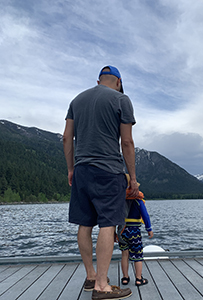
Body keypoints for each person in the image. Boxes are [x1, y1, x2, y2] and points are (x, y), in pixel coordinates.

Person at [63, 65, 139, 300]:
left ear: (98, 82)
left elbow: (67, 137)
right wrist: (133, 178)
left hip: (82, 170)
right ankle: (102, 286)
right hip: (109, 171)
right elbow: (126, 142)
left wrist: (71, 169)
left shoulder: (76, 100)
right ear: (118, 82)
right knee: (107, 224)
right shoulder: (121, 99)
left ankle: (91, 276)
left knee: (84, 225)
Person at [118, 175, 153, 287]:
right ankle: (138, 279)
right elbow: (145, 216)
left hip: (122, 231)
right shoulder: (138, 200)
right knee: (138, 255)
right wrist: (149, 229)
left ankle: (125, 277)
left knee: (124, 255)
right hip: (134, 231)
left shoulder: (120, 200)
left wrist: (115, 232)